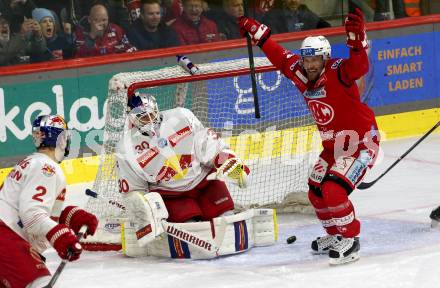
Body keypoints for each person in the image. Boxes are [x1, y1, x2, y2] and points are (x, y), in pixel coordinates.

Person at [239, 8, 380, 265]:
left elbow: (360, 65)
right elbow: (279, 56)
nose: (310, 64)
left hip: (362, 143)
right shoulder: (301, 72)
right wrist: (257, 32)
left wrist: (357, 40)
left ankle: (351, 239)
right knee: (315, 191)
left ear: (325, 58)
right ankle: (335, 233)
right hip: (334, 147)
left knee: (333, 190)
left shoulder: (338, 71)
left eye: (315, 59)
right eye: (307, 59)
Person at [0, 114, 98, 288]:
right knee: (39, 283)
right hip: (5, 238)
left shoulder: (29, 163)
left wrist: (68, 217)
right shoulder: (48, 168)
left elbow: (24, 210)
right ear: (60, 140)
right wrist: (59, 235)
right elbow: (31, 215)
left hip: (7, 237)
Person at [262, 0, 330, 34]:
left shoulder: (304, 10)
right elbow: (275, 41)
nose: (294, 1)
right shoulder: (272, 16)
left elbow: (326, 27)